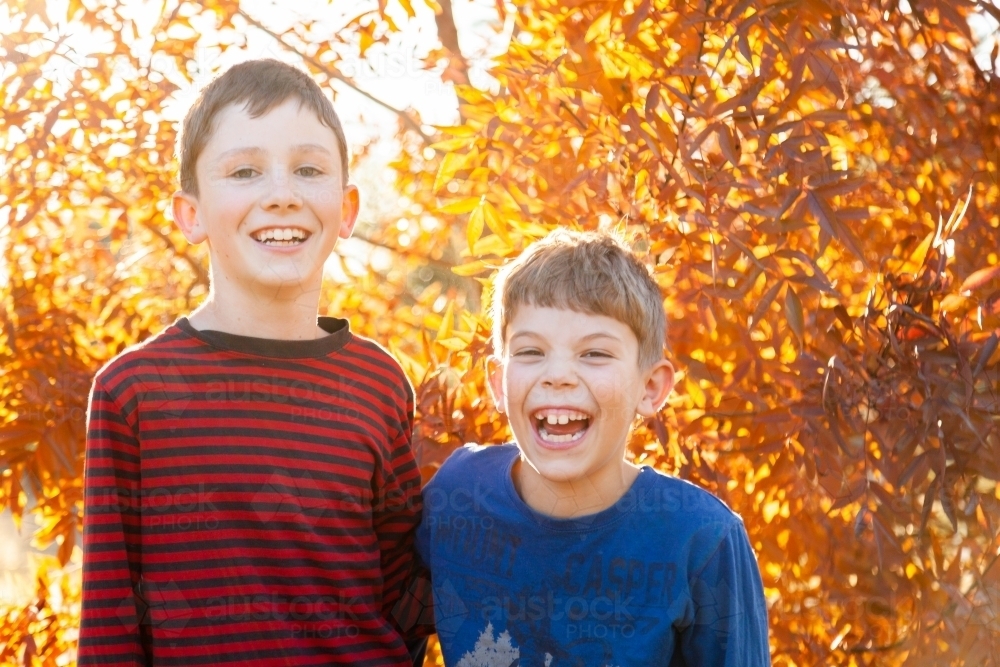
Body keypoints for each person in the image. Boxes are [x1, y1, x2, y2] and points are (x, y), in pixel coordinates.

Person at [79, 59, 427, 666]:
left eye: (309, 170)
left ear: (346, 210)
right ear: (190, 215)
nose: (282, 195)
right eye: (244, 171)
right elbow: (110, 626)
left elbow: (405, 590)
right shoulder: (135, 393)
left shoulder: (379, 383)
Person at [416, 229, 771, 666]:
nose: (558, 375)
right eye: (530, 351)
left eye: (595, 354)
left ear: (651, 387)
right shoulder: (456, 495)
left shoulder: (701, 540)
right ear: (498, 383)